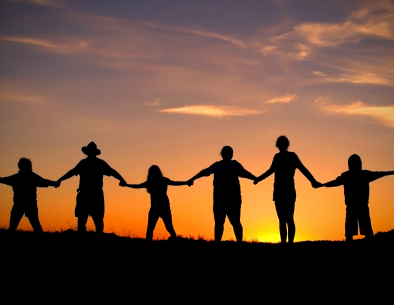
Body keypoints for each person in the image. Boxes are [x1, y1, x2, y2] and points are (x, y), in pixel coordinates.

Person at [254, 136, 321, 244]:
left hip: (285, 190)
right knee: (285, 219)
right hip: (282, 190)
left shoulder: (289, 156)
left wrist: (313, 181)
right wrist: (258, 178)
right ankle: (286, 243)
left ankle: (287, 243)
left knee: (286, 219)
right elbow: (271, 170)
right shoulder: (282, 157)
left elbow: (302, 169)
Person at [188, 146, 256, 242]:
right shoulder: (220, 166)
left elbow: (245, 173)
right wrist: (192, 179)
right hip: (222, 198)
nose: (229, 155)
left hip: (231, 198)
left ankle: (236, 243)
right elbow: (204, 172)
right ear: (224, 154)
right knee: (223, 222)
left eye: (230, 153)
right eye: (228, 153)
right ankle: (224, 243)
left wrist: (255, 178)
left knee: (232, 222)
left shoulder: (230, 165)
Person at [56, 142, 126, 233]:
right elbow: (112, 172)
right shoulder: (98, 163)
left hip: (87, 195)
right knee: (95, 222)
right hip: (93, 195)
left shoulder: (85, 163)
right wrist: (122, 180)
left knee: (86, 221)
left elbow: (72, 172)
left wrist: (59, 180)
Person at [322, 154, 394, 242]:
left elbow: (335, 182)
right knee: (354, 231)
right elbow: (335, 182)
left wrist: (322, 185)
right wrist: (323, 185)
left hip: (359, 205)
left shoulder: (352, 175)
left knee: (359, 230)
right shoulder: (359, 175)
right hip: (356, 206)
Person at [120, 165, 189, 241]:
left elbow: (175, 183)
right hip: (154, 208)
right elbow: (138, 186)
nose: (154, 174)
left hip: (164, 207)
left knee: (169, 227)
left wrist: (186, 182)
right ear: (150, 174)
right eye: (152, 172)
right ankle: (148, 243)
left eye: (155, 172)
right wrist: (126, 185)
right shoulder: (150, 182)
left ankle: (175, 239)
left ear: (158, 172)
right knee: (150, 228)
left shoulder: (164, 180)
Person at [0, 158, 58, 232]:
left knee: (13, 227)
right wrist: (54, 183)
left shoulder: (16, 178)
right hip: (29, 204)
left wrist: (54, 183)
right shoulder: (31, 176)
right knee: (36, 226)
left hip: (20, 204)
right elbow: (43, 181)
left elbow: (2, 180)